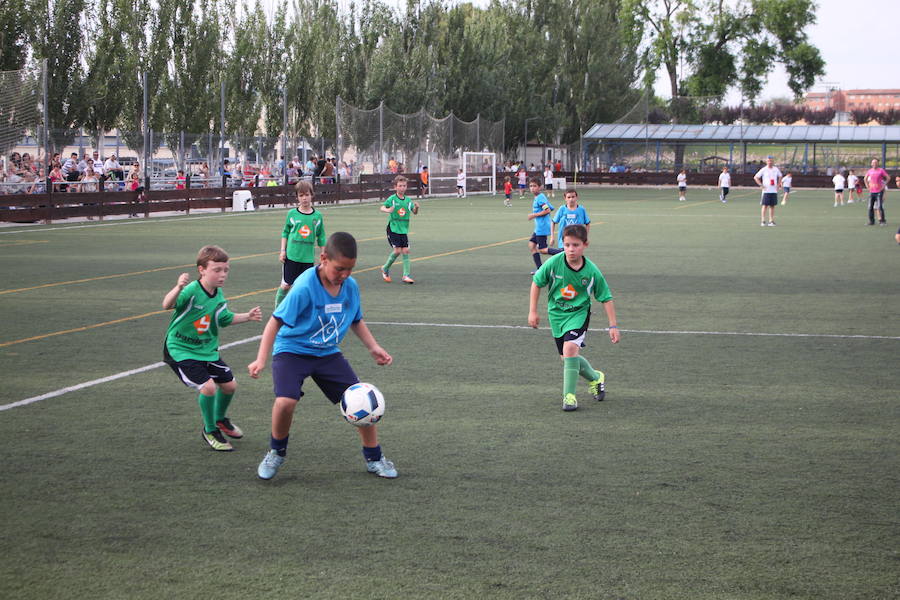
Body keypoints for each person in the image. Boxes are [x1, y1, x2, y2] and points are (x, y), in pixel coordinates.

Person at [248, 232, 396, 480]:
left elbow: (356, 319)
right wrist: (261, 359)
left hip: (327, 353)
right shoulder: (305, 287)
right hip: (292, 351)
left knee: (362, 399)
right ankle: (276, 452)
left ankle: (374, 458)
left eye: (350, 269)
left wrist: (373, 347)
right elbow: (274, 323)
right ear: (324, 258)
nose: (345, 275)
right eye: (340, 269)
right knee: (286, 401)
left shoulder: (350, 286)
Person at [162, 245, 262, 451]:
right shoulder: (191, 291)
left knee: (230, 386)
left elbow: (223, 318)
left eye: (225, 270)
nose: (222, 274)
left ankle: (219, 420)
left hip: (207, 350)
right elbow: (167, 305)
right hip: (181, 349)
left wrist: (247, 316)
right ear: (202, 270)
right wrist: (178, 287)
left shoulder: (218, 294)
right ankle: (209, 430)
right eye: (217, 270)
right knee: (208, 387)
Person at [528, 224, 620, 411]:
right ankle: (595, 377)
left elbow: (606, 297)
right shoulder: (554, 262)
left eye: (576, 245)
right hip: (556, 315)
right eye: (568, 245)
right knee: (567, 358)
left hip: (579, 314)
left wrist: (613, 325)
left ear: (585, 245)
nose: (571, 249)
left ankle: (569, 397)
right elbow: (536, 283)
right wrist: (533, 311)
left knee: (570, 349)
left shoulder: (591, 271)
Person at [276, 180, 326, 307]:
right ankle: (278, 311)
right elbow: (285, 232)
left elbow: (321, 236)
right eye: (301, 195)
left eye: (307, 195)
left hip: (307, 258)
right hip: (292, 256)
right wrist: (283, 251)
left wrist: (323, 253)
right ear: (297, 197)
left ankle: (301, 312)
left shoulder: (317, 216)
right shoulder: (292, 214)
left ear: (312, 195)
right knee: (286, 285)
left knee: (305, 288)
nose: (304, 198)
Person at [380, 175, 419, 284]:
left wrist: (416, 208)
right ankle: (385, 268)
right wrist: (388, 210)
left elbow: (414, 212)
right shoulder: (392, 199)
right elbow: (382, 207)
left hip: (403, 229)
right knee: (397, 251)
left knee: (406, 250)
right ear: (395, 187)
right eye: (400, 186)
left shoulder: (408, 201)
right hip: (393, 228)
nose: (402, 188)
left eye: (404, 186)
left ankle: (406, 275)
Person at [527, 176, 560, 273]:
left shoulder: (540, 198)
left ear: (540, 187)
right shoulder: (540, 197)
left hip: (542, 227)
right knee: (532, 245)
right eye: (531, 186)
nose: (532, 188)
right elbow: (551, 207)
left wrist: (534, 215)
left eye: (535, 186)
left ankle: (561, 252)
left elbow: (547, 210)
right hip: (539, 227)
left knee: (542, 249)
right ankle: (540, 269)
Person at [754, 156, 782, 226]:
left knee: (772, 206)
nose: (770, 162)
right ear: (766, 162)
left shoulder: (776, 169)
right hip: (766, 191)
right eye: (768, 161)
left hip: (773, 191)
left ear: (773, 162)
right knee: (765, 205)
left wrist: (778, 185)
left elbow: (780, 176)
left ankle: (771, 221)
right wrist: (761, 185)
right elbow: (756, 177)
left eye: (771, 161)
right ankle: (763, 221)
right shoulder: (764, 169)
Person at [864, 158, 889, 226]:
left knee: (880, 207)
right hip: (872, 192)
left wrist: (883, 186)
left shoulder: (881, 170)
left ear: (878, 163)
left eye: (876, 162)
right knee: (870, 207)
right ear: (871, 164)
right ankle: (871, 221)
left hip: (879, 192)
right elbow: (865, 179)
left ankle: (882, 221)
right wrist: (868, 187)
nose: (874, 164)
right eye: (873, 163)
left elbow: (888, 178)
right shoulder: (870, 171)